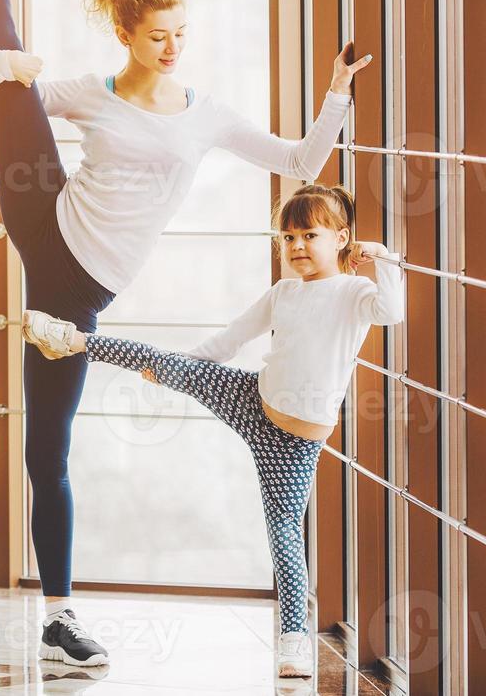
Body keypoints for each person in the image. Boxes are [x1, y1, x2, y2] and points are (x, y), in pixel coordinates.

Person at [0, 0, 373, 666]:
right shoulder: (87, 96)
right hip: (48, 229)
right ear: (125, 34)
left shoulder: (204, 113)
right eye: (157, 36)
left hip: (80, 286)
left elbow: (298, 163)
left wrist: (336, 90)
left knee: (46, 447)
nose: (173, 47)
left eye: (182, 34)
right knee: (6, 65)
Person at [22, 183, 405, 677]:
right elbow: (227, 342)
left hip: (295, 443)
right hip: (251, 398)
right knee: (164, 361)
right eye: (287, 238)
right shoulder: (282, 293)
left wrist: (382, 259)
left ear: (342, 238)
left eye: (310, 235)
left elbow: (391, 312)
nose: (297, 247)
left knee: (284, 536)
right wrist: (178, 369)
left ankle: (293, 643)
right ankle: (72, 340)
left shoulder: (355, 293)